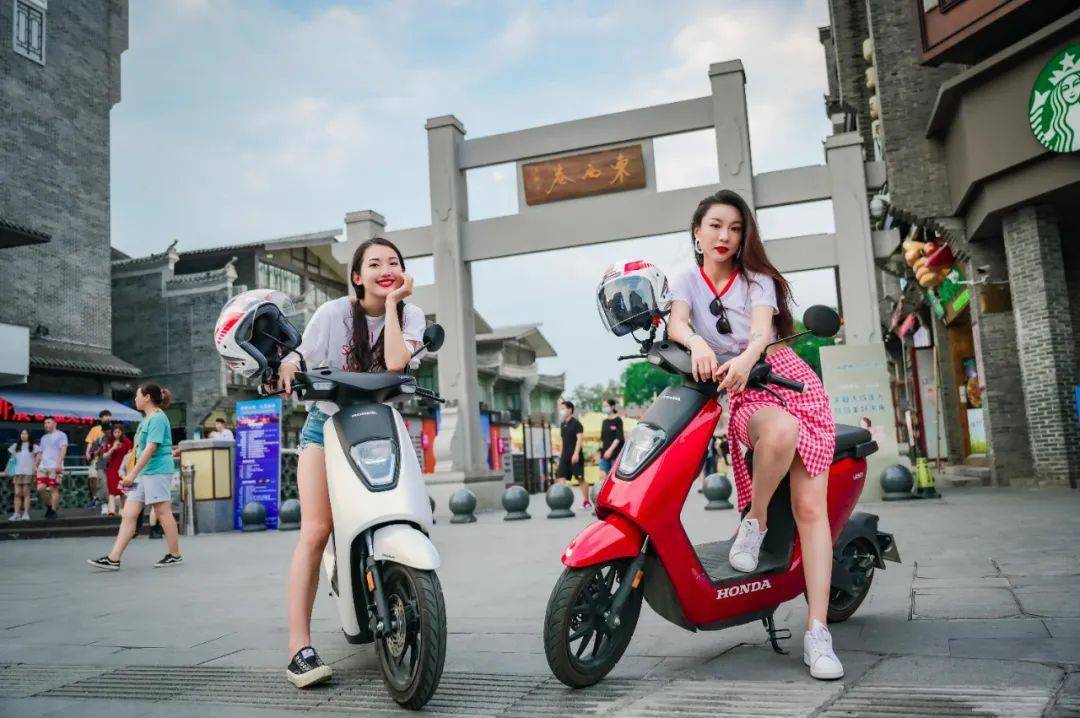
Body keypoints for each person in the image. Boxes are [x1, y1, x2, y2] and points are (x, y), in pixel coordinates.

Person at [667, 189, 842, 680]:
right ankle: (756, 519)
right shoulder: (685, 279)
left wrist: (745, 358)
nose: (725, 236)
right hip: (748, 395)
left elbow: (762, 332)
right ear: (697, 232)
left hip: (788, 378)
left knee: (811, 510)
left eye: (735, 228)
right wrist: (699, 343)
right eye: (715, 225)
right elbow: (677, 323)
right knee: (780, 432)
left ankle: (818, 632)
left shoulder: (757, 279)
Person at [276, 237, 425, 689]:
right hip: (324, 426)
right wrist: (290, 363)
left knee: (402, 511)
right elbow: (302, 354)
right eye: (374, 264)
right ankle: (298, 649)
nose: (386, 269)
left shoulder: (412, 316)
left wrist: (394, 305)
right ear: (357, 276)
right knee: (315, 530)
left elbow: (396, 361)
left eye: (394, 262)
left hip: (382, 425)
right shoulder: (333, 313)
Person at [87, 383, 183, 571]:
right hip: (143, 473)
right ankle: (113, 558)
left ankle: (175, 555)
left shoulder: (157, 418)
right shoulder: (146, 419)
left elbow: (151, 447)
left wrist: (131, 474)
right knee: (129, 514)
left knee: (163, 512)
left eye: (138, 395)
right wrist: (131, 473)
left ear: (147, 397)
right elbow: (138, 450)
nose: (135, 399)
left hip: (156, 471)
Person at [34, 417, 68, 519]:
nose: (46, 425)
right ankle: (50, 506)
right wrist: (35, 464)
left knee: (53, 489)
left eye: (48, 422)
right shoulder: (44, 437)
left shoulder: (61, 435)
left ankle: (53, 510)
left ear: (55, 423)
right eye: (45, 423)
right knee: (40, 488)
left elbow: (63, 449)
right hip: (43, 466)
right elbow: (40, 452)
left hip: (55, 466)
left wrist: (59, 463)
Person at [555, 400, 586, 506]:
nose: (561, 411)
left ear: (570, 410)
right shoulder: (563, 424)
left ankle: (586, 501)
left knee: (580, 479)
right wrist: (560, 455)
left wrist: (576, 453)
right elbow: (562, 441)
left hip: (575, 456)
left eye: (563, 408)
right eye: (560, 409)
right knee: (560, 477)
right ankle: (562, 502)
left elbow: (579, 440)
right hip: (565, 457)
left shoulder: (577, 424)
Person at [84, 410, 112, 512]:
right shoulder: (95, 430)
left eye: (109, 416)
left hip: (108, 461)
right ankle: (96, 497)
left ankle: (103, 501)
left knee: (104, 482)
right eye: (105, 416)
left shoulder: (114, 429)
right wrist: (88, 453)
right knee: (93, 479)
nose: (107, 417)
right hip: (97, 459)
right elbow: (90, 443)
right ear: (101, 418)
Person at [101, 424, 132, 516]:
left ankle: (122, 509)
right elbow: (105, 456)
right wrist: (113, 448)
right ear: (112, 433)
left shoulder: (127, 442)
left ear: (122, 432)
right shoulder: (109, 442)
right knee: (112, 490)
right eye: (115, 432)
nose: (117, 434)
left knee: (123, 490)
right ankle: (111, 510)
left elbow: (130, 455)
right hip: (112, 468)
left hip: (124, 468)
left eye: (119, 432)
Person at [8, 429, 36, 521]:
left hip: (28, 473)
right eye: (22, 433)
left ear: (29, 435)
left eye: (25, 433)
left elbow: (38, 459)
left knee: (26, 493)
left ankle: (26, 513)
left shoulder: (34, 446)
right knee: (17, 494)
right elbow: (11, 459)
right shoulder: (15, 446)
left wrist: (35, 470)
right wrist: (7, 469)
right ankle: (16, 514)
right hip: (17, 472)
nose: (23, 435)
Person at [598, 398, 624, 482]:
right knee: (602, 475)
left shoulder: (618, 420)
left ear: (612, 407)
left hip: (615, 454)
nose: (604, 408)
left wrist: (610, 450)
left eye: (606, 406)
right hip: (604, 453)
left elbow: (618, 437)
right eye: (603, 406)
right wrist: (600, 452)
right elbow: (602, 439)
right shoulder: (604, 422)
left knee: (614, 478)